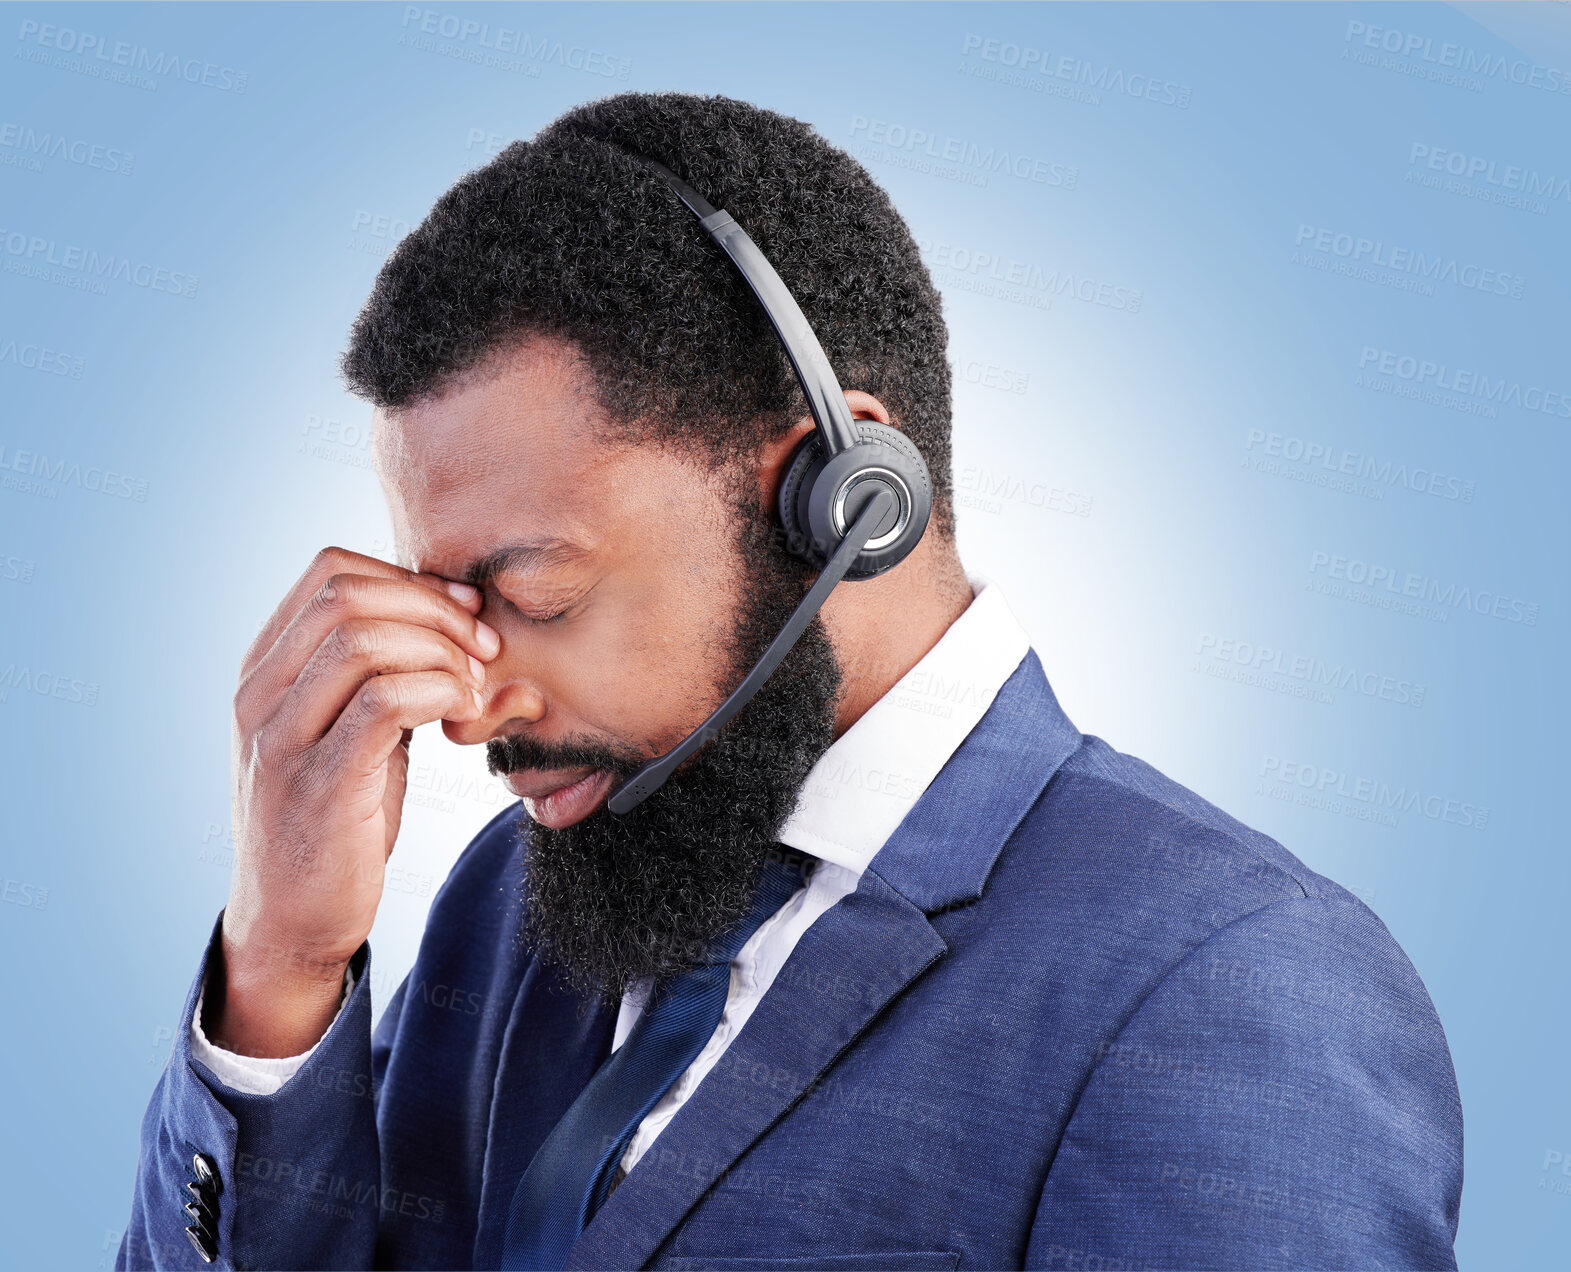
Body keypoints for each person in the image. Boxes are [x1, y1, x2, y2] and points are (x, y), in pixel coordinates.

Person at [117, 91, 1462, 1271]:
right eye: (443, 603)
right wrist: (284, 969)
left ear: (844, 503)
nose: (467, 703)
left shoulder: (1228, 987)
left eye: (531, 596)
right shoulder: (505, 918)